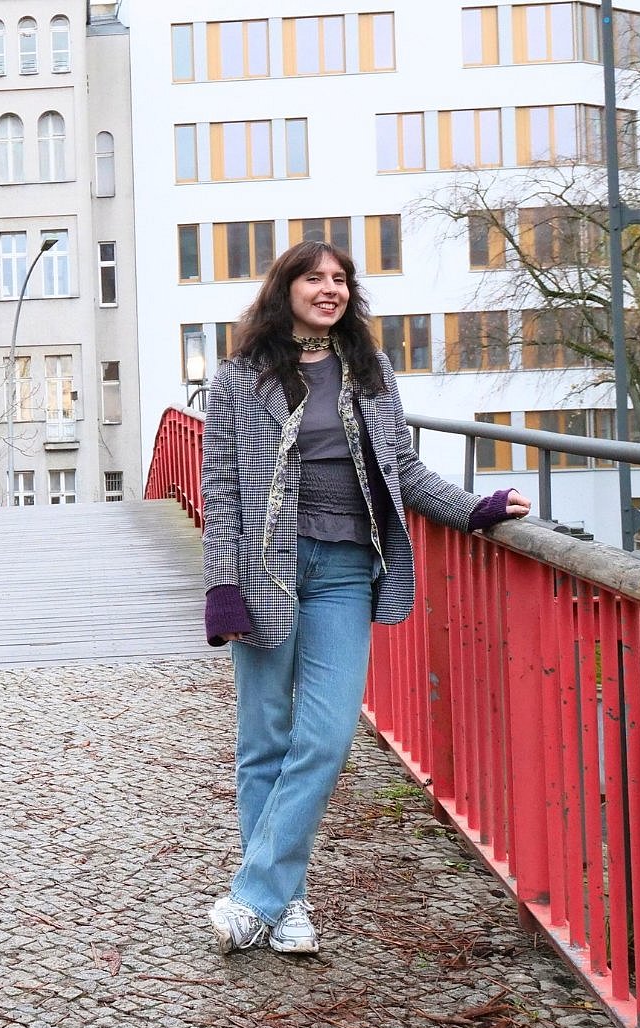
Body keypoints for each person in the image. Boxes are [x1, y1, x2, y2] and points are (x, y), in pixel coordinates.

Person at [199, 241, 529, 955]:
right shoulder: (236, 378)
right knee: (264, 742)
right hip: (266, 570)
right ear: (284, 287)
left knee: (325, 736)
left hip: (346, 571)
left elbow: (402, 469)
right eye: (314, 278)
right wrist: (222, 587)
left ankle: (254, 895)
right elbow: (220, 490)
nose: (330, 289)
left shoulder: (369, 373)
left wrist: (477, 507)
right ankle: (287, 905)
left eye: (340, 279)